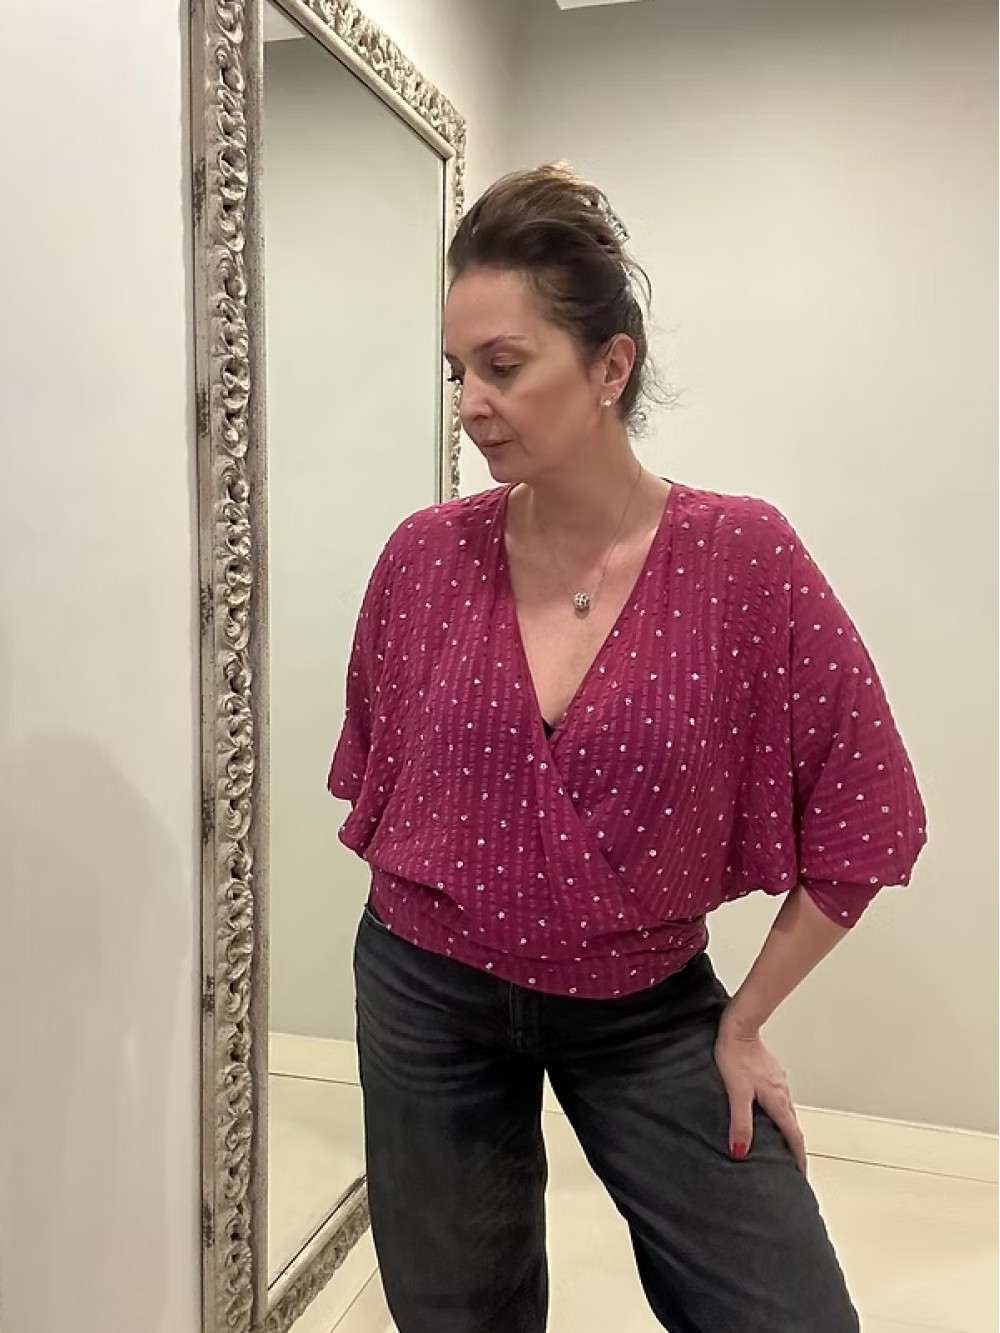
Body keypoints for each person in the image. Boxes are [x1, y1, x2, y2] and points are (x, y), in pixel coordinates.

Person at [329, 164, 926, 1333]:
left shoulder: (742, 559)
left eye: (503, 366)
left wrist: (743, 1021)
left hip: (641, 1008)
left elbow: (869, 816)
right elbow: (389, 789)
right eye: (456, 372)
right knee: (455, 1315)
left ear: (611, 364)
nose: (470, 402)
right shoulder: (424, 557)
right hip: (425, 988)